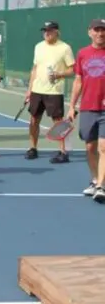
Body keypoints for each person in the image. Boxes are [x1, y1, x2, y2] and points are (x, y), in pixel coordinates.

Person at [25, 21, 74, 163]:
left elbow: (72, 69)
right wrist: (29, 89)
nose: (47, 33)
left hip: (54, 91)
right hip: (36, 90)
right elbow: (34, 68)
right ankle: (33, 148)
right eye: (45, 31)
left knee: (58, 122)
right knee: (34, 119)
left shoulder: (65, 48)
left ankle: (63, 152)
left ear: (57, 32)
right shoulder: (38, 47)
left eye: (50, 30)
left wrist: (59, 74)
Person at [68, 18, 105, 203]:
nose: (100, 33)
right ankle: (95, 179)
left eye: (103, 30)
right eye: (97, 30)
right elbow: (78, 81)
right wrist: (71, 106)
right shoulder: (82, 53)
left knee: (103, 147)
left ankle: (100, 186)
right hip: (88, 107)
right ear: (89, 32)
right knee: (90, 148)